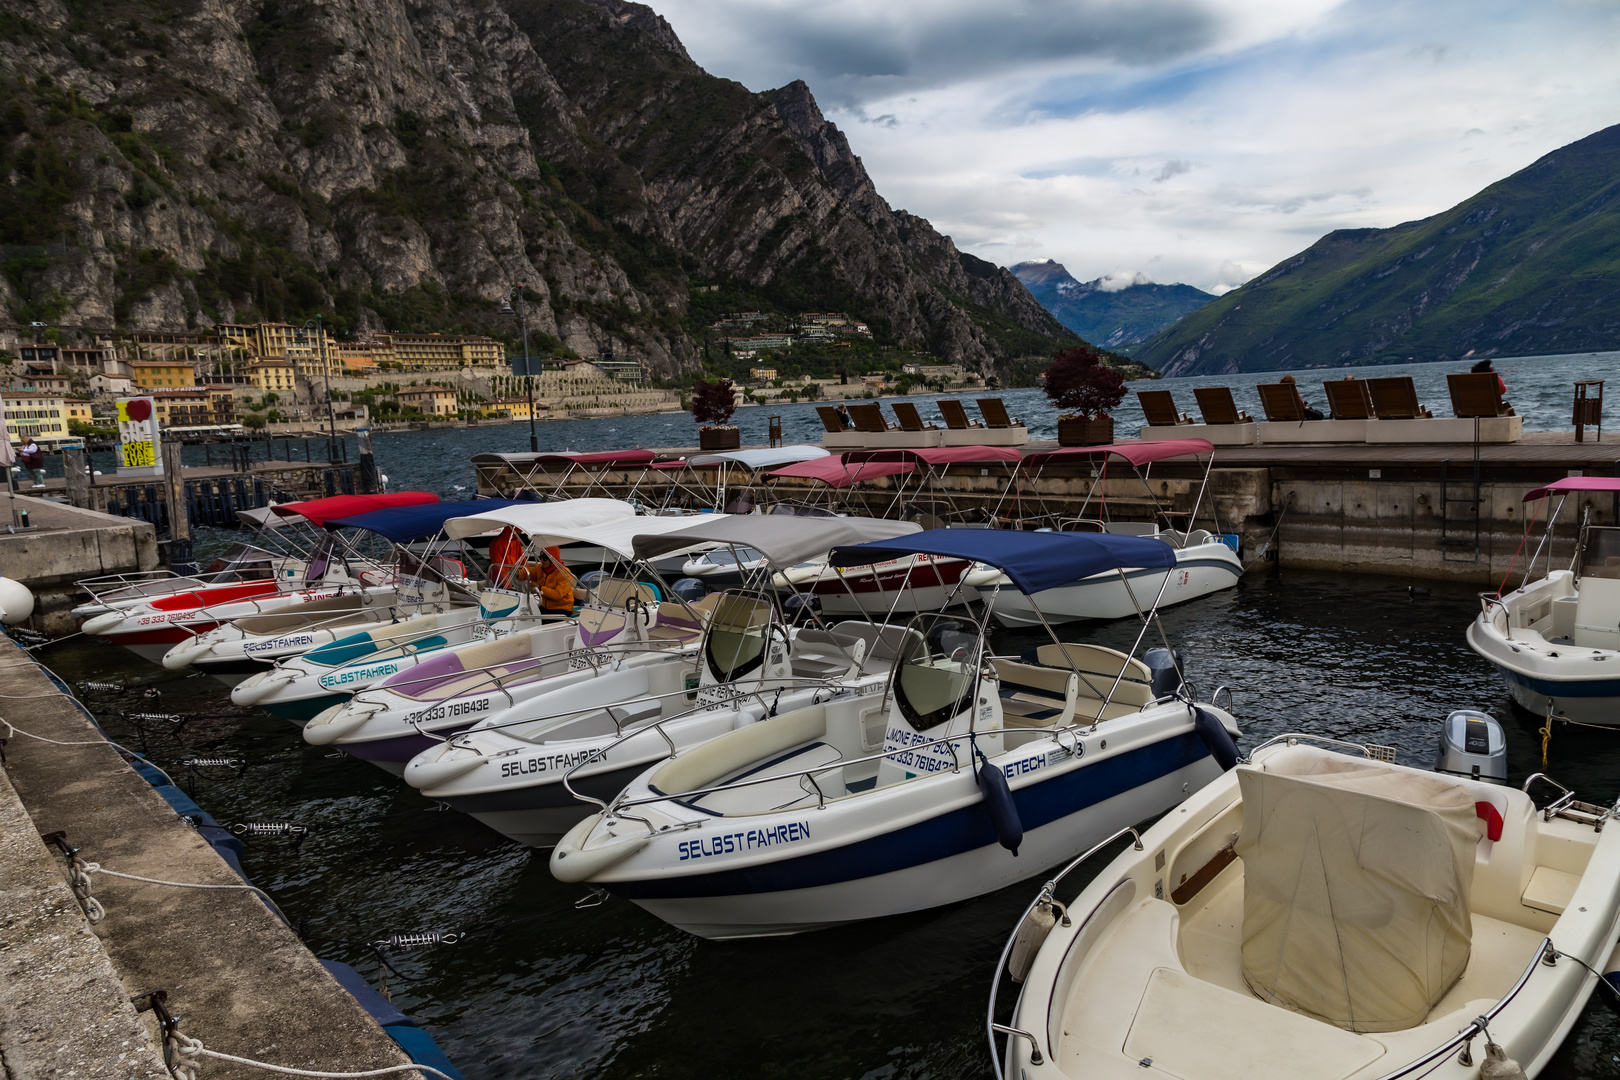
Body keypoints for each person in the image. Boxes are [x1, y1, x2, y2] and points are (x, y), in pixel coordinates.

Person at [534, 546, 577, 618]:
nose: (542, 561)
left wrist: (540, 588)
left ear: (553, 559)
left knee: (537, 622)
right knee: (529, 615)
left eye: (544, 559)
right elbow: (528, 573)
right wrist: (517, 574)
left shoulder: (564, 573)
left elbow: (558, 595)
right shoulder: (541, 568)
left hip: (561, 609)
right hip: (545, 606)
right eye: (541, 558)